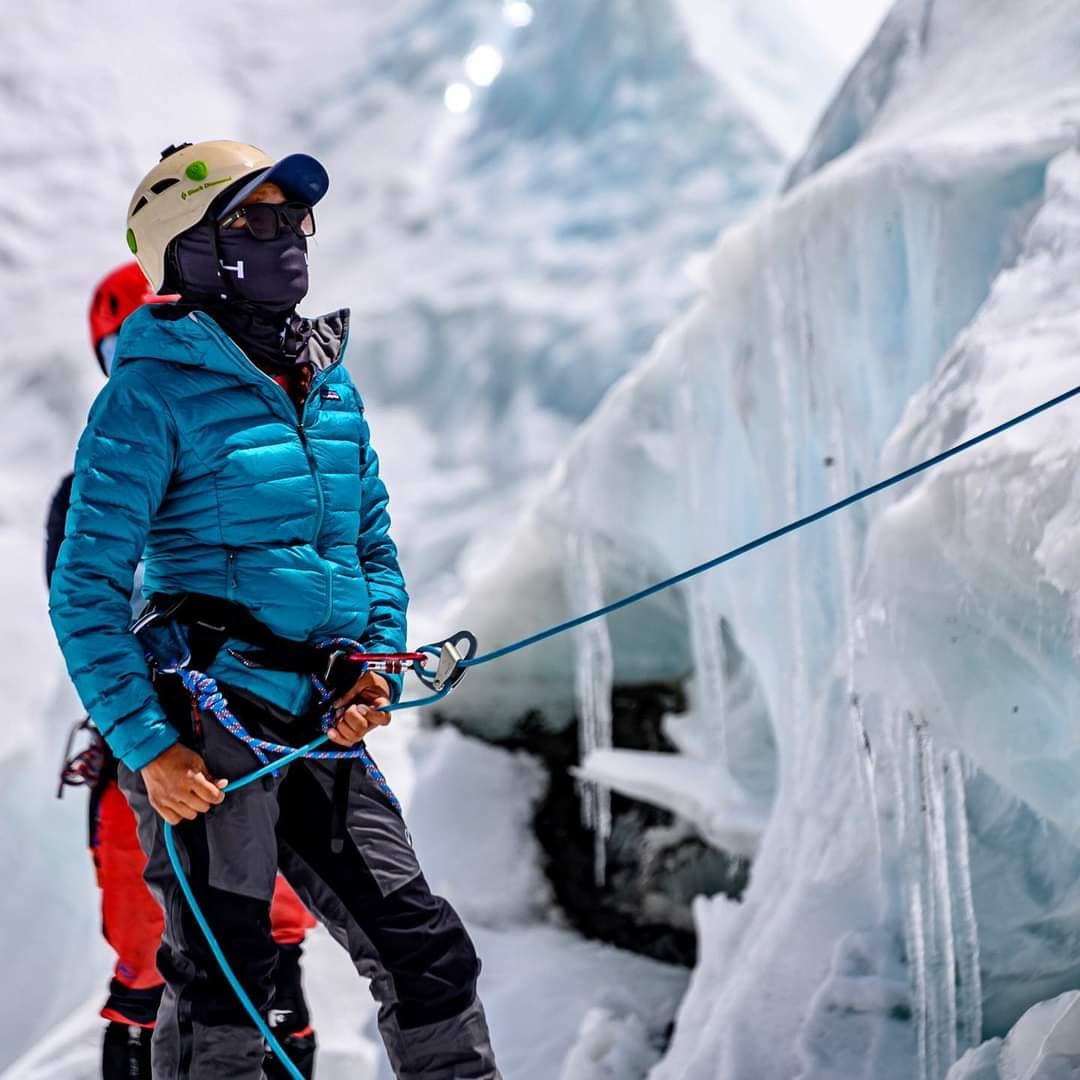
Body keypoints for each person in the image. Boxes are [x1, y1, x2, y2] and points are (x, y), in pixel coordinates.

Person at [49, 141, 500, 1080]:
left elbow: (370, 546)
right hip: (204, 722)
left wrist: (373, 664)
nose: (289, 236)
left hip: (316, 722)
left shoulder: (329, 386)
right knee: (228, 987)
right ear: (188, 245)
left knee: (426, 953)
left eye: (296, 219)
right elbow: (86, 585)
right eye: (255, 220)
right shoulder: (148, 396)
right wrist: (147, 747)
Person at [48, 261, 320, 1080]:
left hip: (199, 739)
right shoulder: (104, 488)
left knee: (171, 966)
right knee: (207, 960)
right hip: (197, 742)